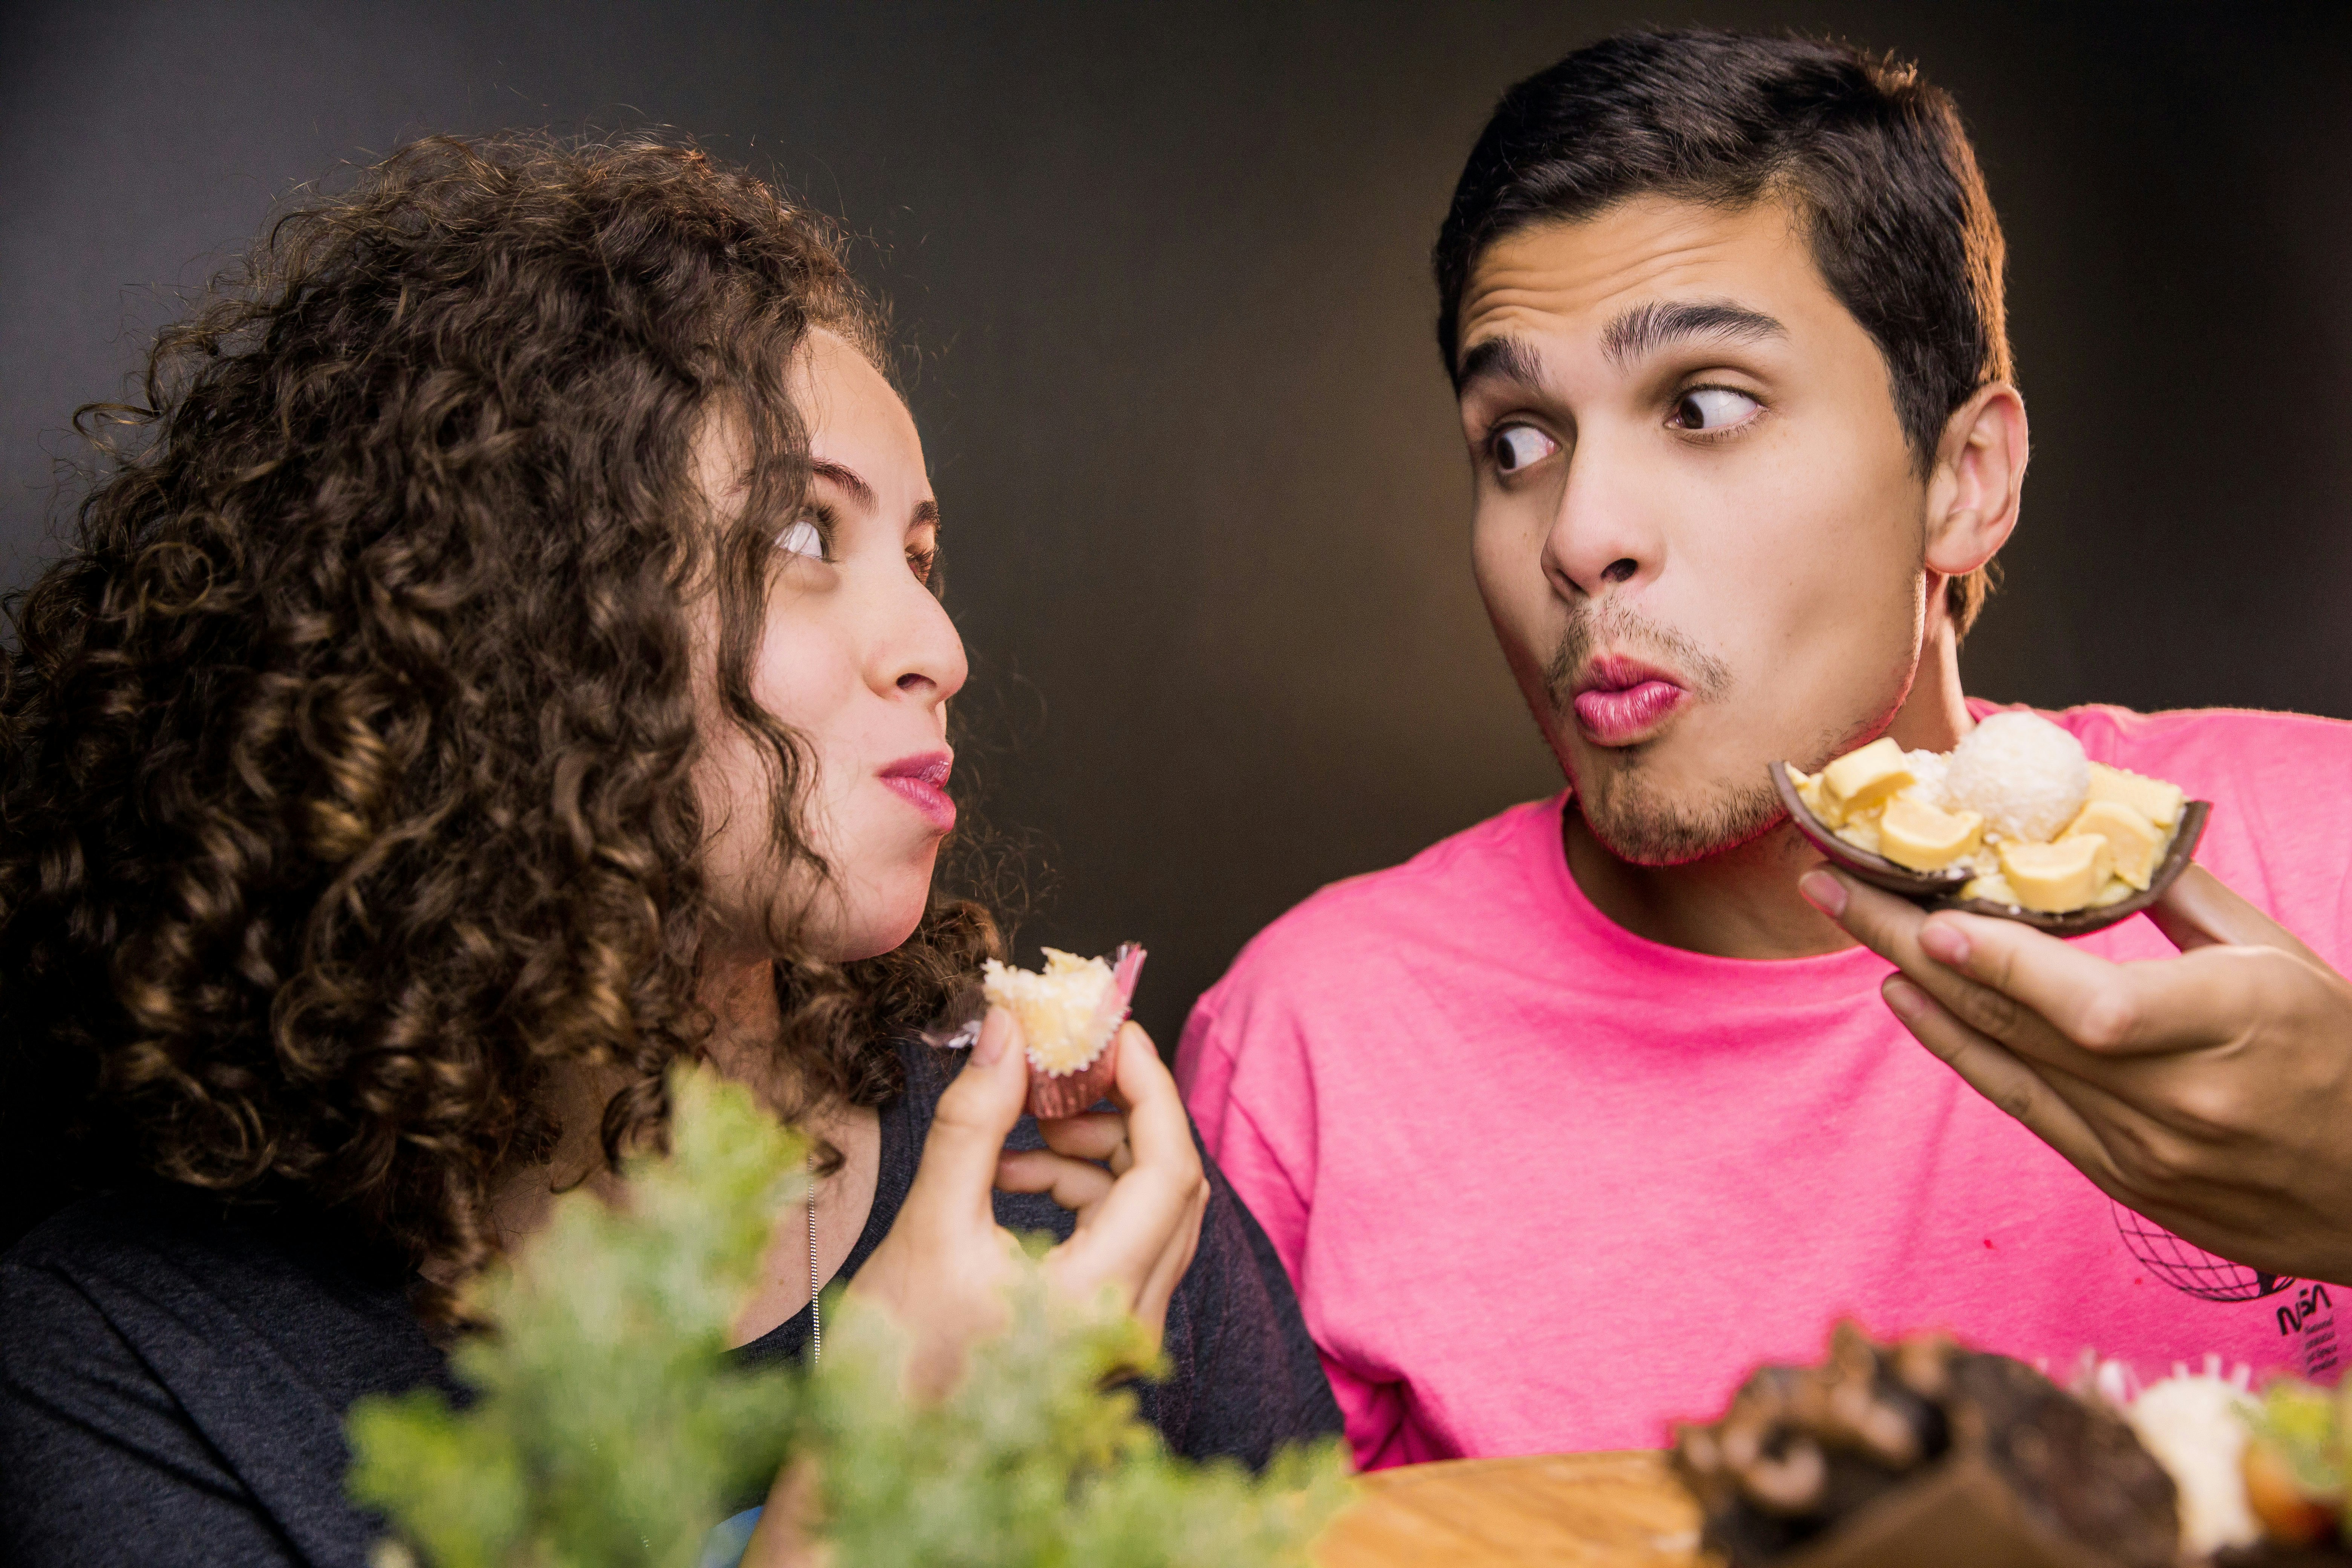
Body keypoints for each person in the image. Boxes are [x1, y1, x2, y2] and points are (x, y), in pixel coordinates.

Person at [0, 134, 1339, 1568]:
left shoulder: (1072, 1204)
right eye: (805, 533)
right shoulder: (135, 1369)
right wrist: (876, 1480)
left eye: (924, 560)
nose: (940, 649)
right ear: (510, 619)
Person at [1177, 28, 2352, 1470]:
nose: (1580, 535)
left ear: (1964, 483)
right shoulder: (1313, 1050)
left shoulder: (2318, 857)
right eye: (1518, 441)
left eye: (1704, 407)